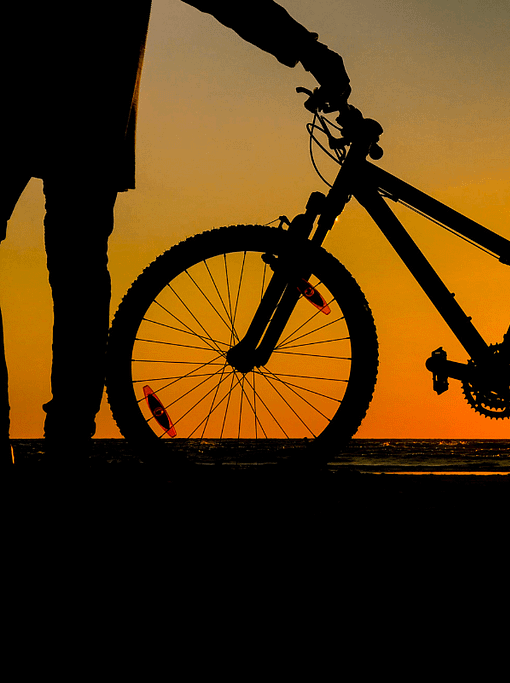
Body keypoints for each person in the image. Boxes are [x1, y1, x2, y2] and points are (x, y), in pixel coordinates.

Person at [1, 1, 351, 466]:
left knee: (78, 269)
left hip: (47, 94)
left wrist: (305, 47)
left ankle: (58, 432)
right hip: (89, 102)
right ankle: (69, 436)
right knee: (80, 269)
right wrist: (308, 48)